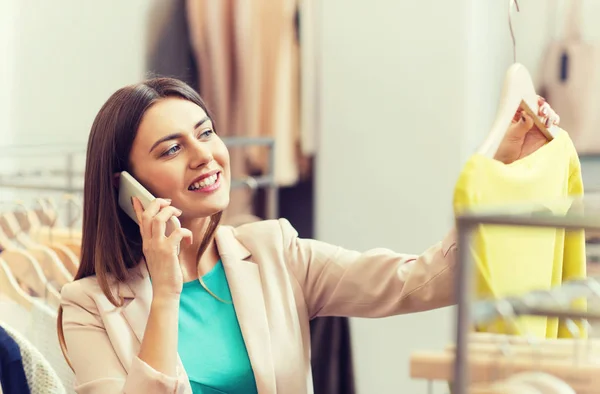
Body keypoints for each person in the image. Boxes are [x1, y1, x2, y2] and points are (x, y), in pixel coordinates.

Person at [57, 77, 560, 394]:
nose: (204, 155)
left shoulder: (274, 250)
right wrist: (165, 291)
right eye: (171, 149)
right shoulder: (87, 306)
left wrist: (503, 172)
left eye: (206, 133)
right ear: (127, 188)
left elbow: (421, 280)